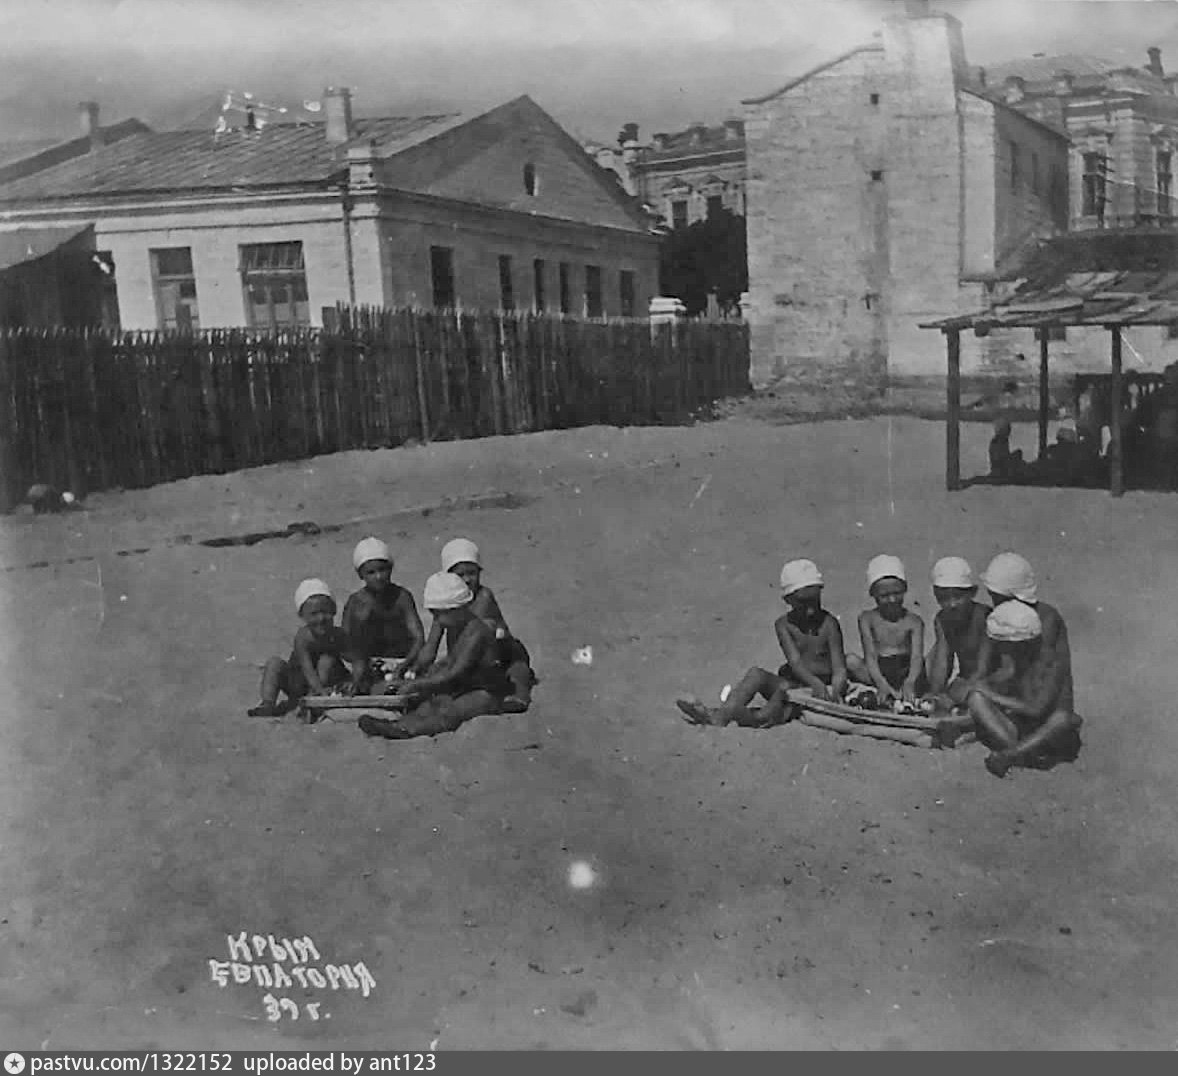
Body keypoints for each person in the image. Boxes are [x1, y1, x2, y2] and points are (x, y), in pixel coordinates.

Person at [676, 558, 848, 727]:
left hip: (823, 688)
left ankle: (758, 717)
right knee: (757, 675)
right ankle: (723, 715)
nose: (810, 611)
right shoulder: (784, 625)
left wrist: (835, 690)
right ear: (788, 601)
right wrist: (813, 682)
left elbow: (839, 667)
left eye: (814, 602)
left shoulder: (829, 623)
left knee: (781, 702)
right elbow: (795, 662)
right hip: (796, 684)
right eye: (803, 604)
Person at [358, 572, 517, 740]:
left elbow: (456, 672)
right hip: (465, 685)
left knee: (451, 712)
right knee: (431, 703)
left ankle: (407, 729)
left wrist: (417, 684)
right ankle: (400, 723)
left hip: (486, 691)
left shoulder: (476, 632)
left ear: (457, 609)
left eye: (438, 615)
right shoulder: (458, 628)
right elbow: (451, 660)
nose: (437, 620)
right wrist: (424, 676)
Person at [946, 601, 1082, 778]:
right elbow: (997, 682)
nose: (1002, 649)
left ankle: (1011, 754)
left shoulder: (1051, 663)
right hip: (1021, 727)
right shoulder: (1013, 661)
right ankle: (1019, 751)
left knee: (1062, 719)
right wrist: (973, 687)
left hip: (1047, 732)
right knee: (976, 697)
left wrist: (989, 693)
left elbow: (1036, 709)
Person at [414, 537, 535, 713]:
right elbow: (432, 645)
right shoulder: (446, 604)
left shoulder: (483, 597)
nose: (467, 579)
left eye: (472, 573)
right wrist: (418, 668)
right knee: (438, 672)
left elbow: (486, 637)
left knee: (518, 671)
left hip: (498, 654)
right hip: (464, 658)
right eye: (460, 574)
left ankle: (519, 697)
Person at [248, 579, 357, 717]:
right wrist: (317, 689)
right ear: (302, 616)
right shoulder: (303, 637)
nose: (321, 618)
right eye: (314, 614)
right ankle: (268, 703)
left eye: (326, 612)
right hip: (299, 681)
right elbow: (307, 667)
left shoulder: (338, 635)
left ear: (334, 611)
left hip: (328, 682)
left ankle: (314, 701)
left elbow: (356, 658)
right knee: (274, 663)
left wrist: (354, 681)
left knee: (327, 660)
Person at [342, 537, 425, 693]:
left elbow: (419, 638)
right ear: (361, 575)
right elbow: (344, 644)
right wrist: (361, 661)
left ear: (391, 569)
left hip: (402, 662)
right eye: (371, 572)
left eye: (382, 570)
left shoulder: (402, 597)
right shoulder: (355, 602)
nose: (378, 576)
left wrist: (405, 664)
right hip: (367, 666)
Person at [846, 555, 926, 704]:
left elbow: (916, 658)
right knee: (851, 660)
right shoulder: (867, 618)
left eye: (897, 593)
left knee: (925, 666)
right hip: (878, 671)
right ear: (873, 594)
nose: (892, 600)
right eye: (884, 595)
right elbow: (870, 656)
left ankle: (902, 693)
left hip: (906, 671)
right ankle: (887, 692)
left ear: (905, 589)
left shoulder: (914, 621)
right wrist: (881, 683)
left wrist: (910, 682)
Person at [925, 556, 988, 711]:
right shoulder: (942, 619)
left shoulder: (984, 617)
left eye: (958, 597)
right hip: (966, 679)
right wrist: (936, 694)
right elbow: (942, 660)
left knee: (961, 697)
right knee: (942, 700)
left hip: (991, 679)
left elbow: (985, 668)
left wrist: (959, 693)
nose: (951, 604)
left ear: (972, 593)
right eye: (944, 598)